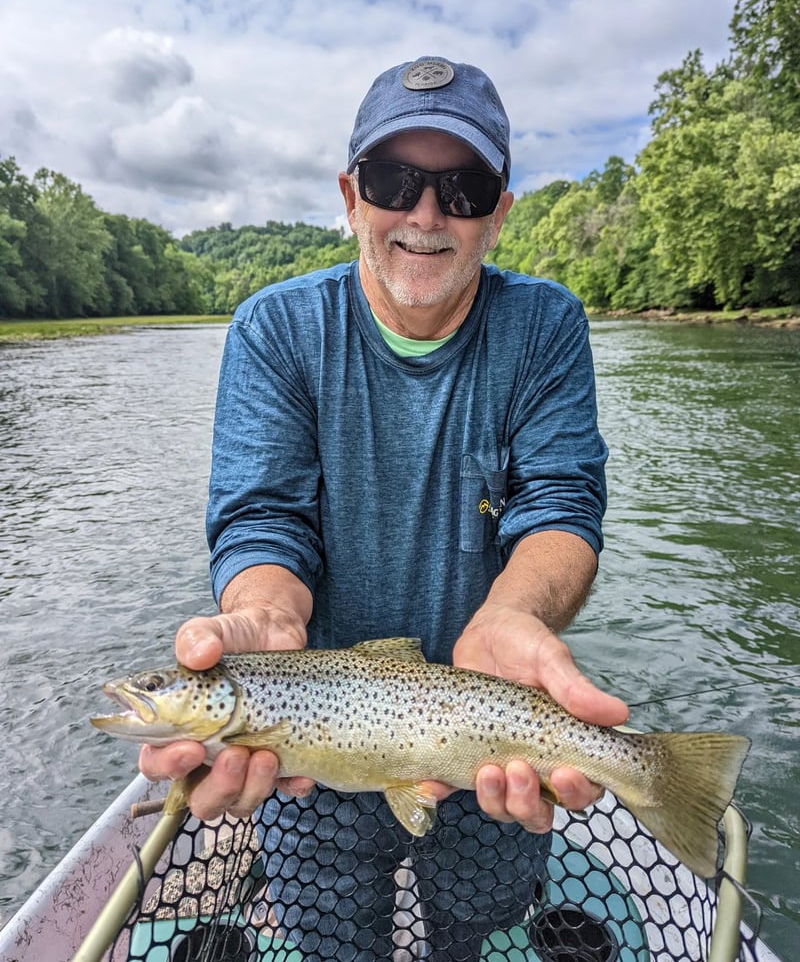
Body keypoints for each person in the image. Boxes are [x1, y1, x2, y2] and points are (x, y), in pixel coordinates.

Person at [140, 56, 629, 960]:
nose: (426, 214)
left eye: (464, 186)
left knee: (470, 930)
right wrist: (261, 616)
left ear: (500, 210)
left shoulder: (547, 326)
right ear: (352, 195)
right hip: (312, 752)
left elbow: (562, 504)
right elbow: (263, 519)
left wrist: (514, 613)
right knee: (333, 940)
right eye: (395, 180)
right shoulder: (275, 329)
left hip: (490, 722)